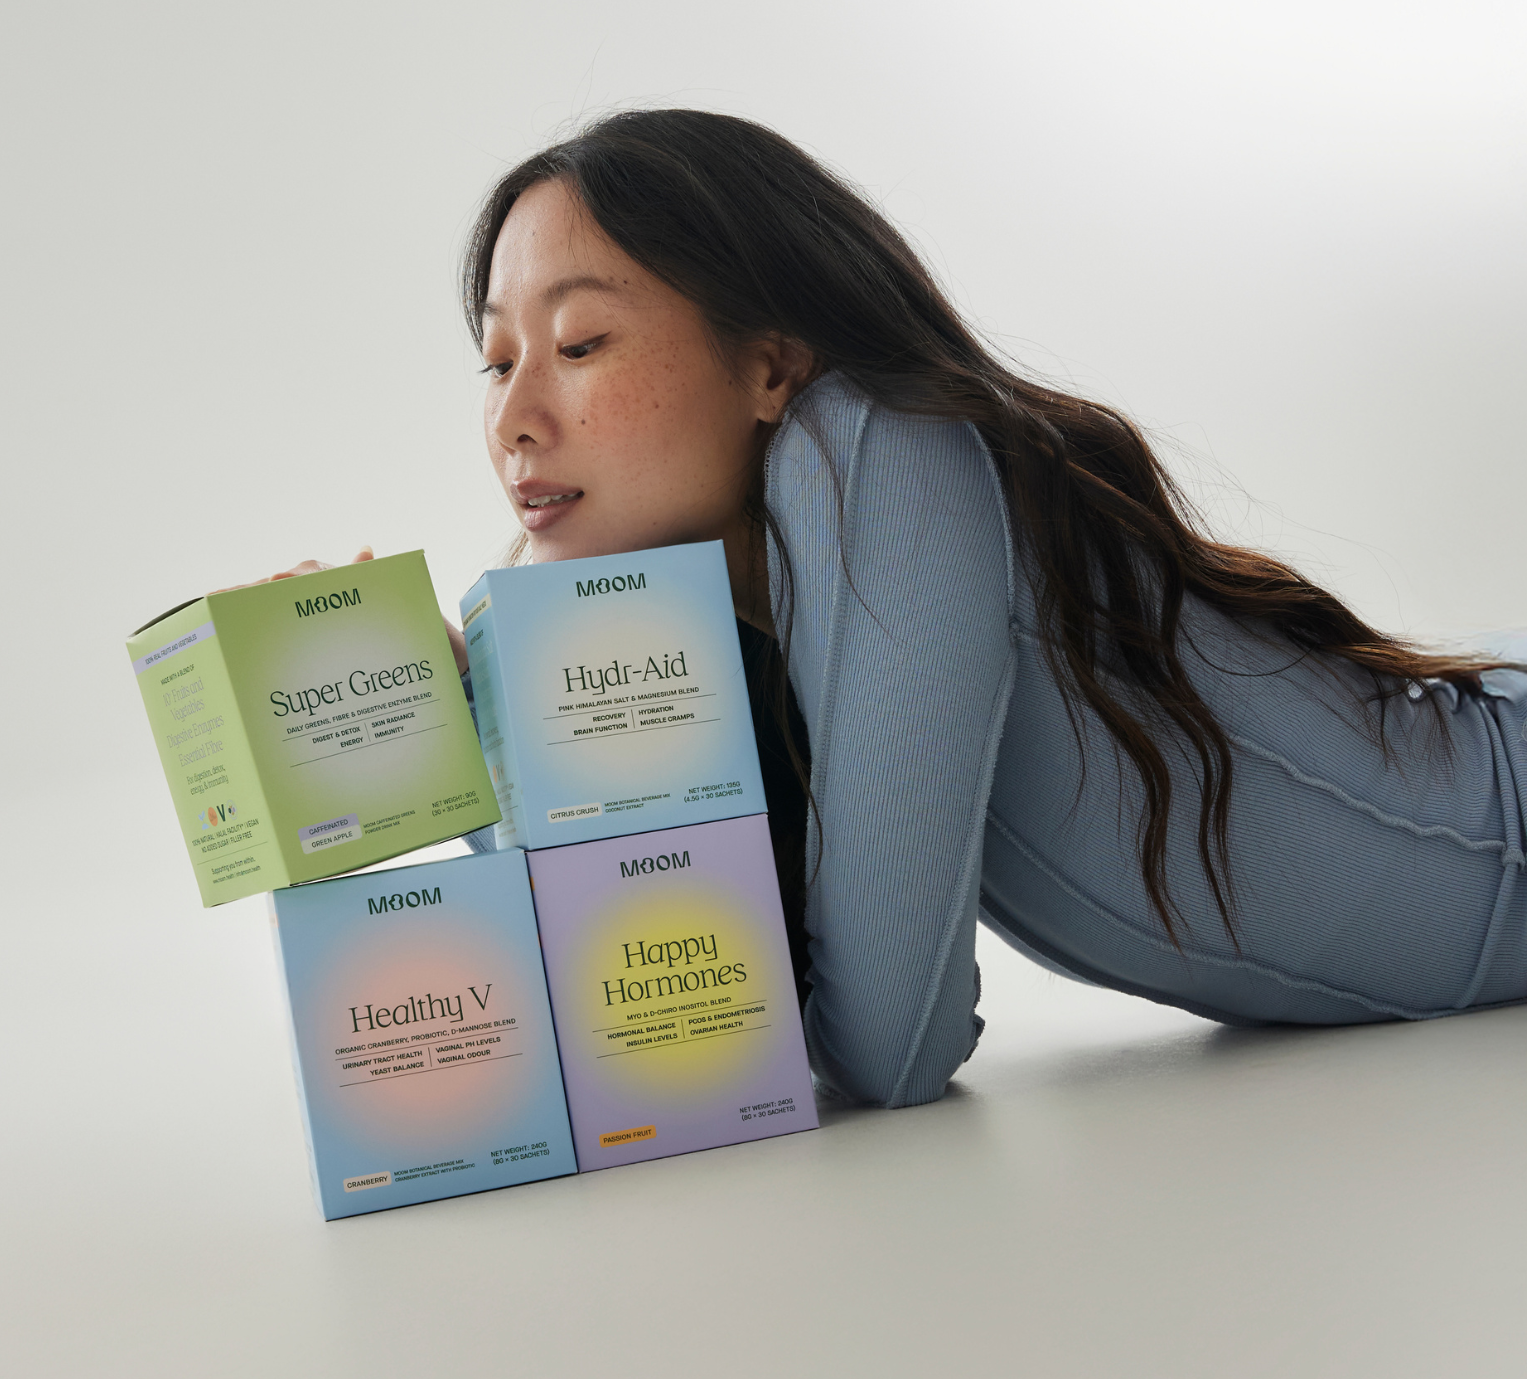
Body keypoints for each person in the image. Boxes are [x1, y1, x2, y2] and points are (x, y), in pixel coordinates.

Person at [269, 109, 1527, 1109]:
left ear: (771, 363)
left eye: (580, 342)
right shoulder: (745, 606)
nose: (513, 418)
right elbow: (672, 1029)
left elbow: (890, 1045)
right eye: (496, 360)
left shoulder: (873, 449)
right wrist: (480, 728)